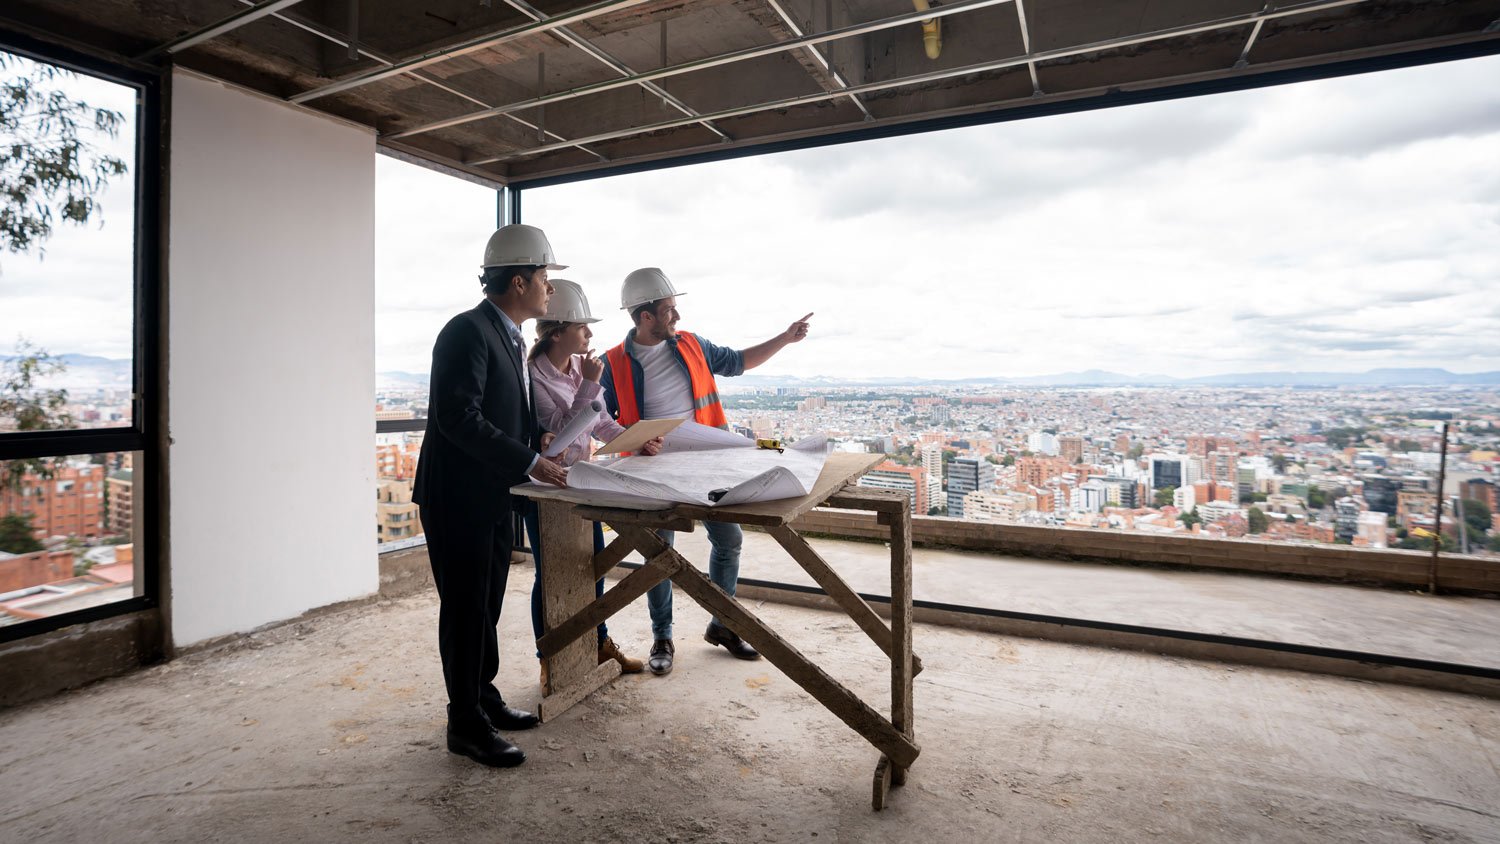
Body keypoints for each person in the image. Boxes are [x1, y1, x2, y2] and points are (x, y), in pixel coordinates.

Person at [601, 267, 812, 675]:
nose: (676, 317)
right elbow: (602, 421)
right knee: (657, 554)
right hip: (652, 469)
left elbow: (738, 362)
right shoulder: (612, 363)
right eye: (668, 310)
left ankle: (723, 625)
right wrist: (635, 438)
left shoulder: (693, 345)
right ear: (645, 317)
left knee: (728, 540)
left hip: (709, 461)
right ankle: (662, 635)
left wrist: (785, 338)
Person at [412, 223, 569, 769]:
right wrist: (530, 460)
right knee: (466, 608)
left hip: (491, 493)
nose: (551, 289)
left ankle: (483, 697)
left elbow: (499, 413)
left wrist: (535, 439)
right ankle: (465, 724)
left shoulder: (508, 335)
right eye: (546, 278)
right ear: (521, 281)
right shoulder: (467, 331)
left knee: (487, 605)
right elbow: (457, 417)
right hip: (457, 497)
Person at [524, 278, 663, 688]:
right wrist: (588, 383)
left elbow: (599, 422)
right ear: (558, 331)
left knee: (593, 568)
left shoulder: (577, 368)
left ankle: (599, 643)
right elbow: (561, 432)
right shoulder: (535, 377)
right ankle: (548, 656)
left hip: (582, 481)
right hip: (548, 487)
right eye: (583, 327)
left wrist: (634, 441)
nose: (589, 333)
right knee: (550, 575)